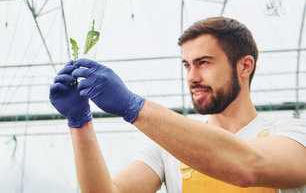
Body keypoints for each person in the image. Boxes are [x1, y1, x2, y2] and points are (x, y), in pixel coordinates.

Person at [49, 16, 306, 193]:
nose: (192, 77)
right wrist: (80, 122)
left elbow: (247, 167)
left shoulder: (293, 135)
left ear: (244, 65)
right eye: (187, 65)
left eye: (204, 62)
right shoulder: (167, 146)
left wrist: (133, 106)